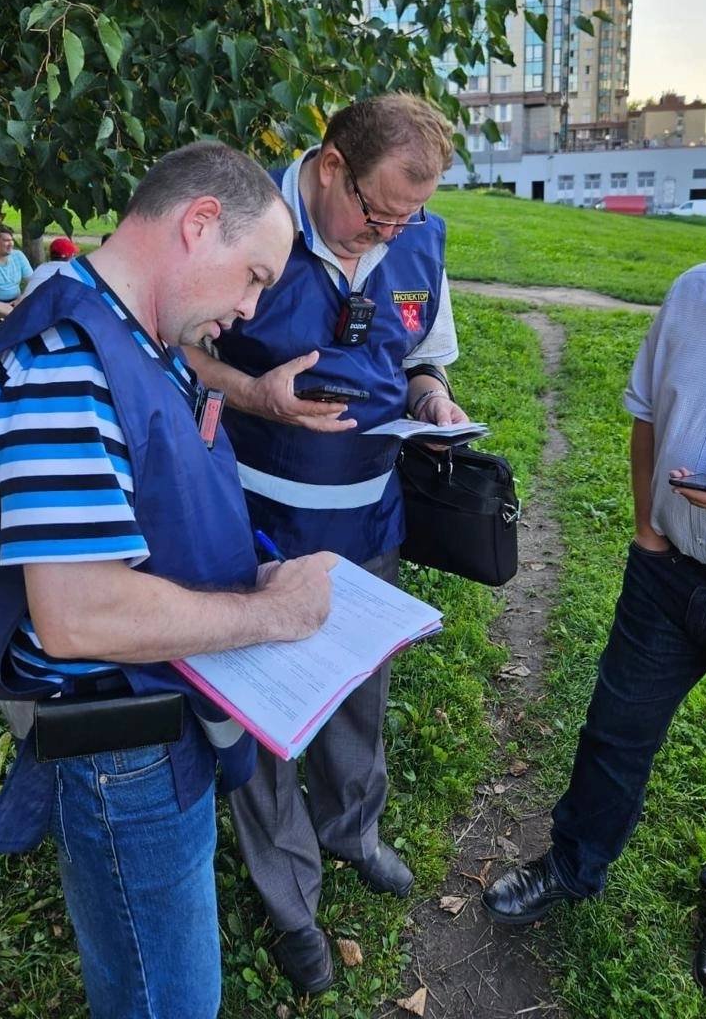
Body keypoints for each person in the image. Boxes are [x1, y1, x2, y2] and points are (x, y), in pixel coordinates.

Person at [0, 142, 336, 1019]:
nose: (248, 309)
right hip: (121, 753)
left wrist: (248, 572)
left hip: (157, 726)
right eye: (252, 277)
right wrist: (271, 614)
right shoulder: (64, 359)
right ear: (199, 223)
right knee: (166, 1000)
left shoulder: (126, 328)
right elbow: (80, 615)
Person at [482, 124, 706, 1000]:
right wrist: (649, 529)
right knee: (614, 732)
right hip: (668, 574)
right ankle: (573, 864)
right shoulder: (691, 295)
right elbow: (648, 410)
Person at [185, 93, 469, 994]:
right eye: (373, 212)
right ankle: (291, 901)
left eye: (406, 217)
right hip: (253, 525)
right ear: (330, 163)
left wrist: (430, 397)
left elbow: (425, 352)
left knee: (357, 689)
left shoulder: (422, 237)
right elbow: (174, 347)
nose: (384, 231)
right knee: (268, 713)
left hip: (369, 519)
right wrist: (254, 393)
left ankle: (353, 832)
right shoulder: (248, 225)